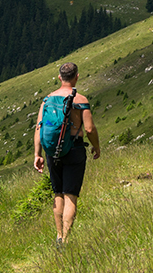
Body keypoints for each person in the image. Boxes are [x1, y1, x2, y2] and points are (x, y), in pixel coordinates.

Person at [33, 62, 100, 249]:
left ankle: (59, 235)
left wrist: (37, 154)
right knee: (71, 195)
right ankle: (67, 239)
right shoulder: (80, 99)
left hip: (52, 151)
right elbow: (89, 128)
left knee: (58, 193)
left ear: (59, 77)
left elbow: (39, 128)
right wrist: (97, 147)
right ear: (77, 76)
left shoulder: (47, 100)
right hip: (75, 150)